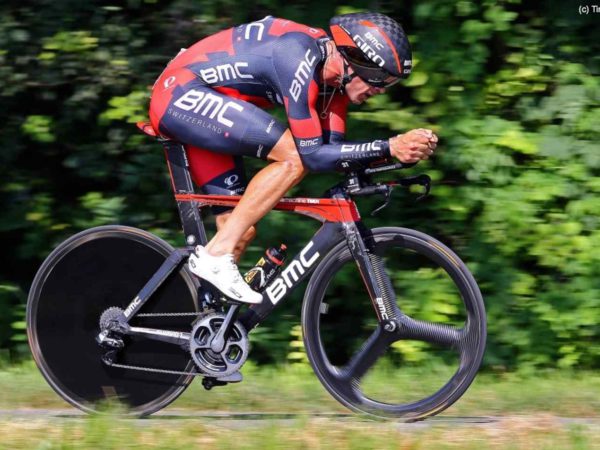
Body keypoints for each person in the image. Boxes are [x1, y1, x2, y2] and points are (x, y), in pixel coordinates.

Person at [149, 12, 438, 304]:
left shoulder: (333, 88)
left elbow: (334, 156)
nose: (380, 90)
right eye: (380, 78)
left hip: (207, 106)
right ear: (354, 58)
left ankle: (201, 321)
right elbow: (311, 156)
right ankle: (214, 255)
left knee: (239, 230)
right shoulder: (297, 55)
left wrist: (402, 156)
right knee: (294, 158)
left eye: (389, 83)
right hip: (181, 93)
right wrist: (390, 146)